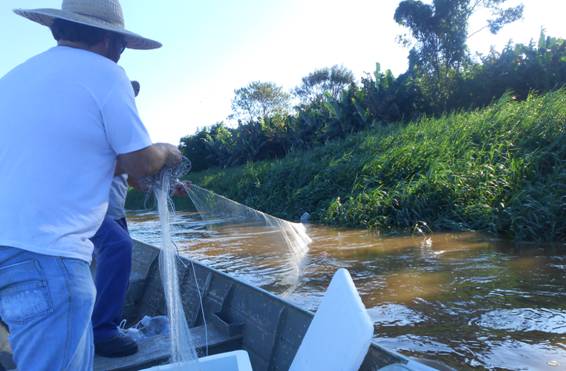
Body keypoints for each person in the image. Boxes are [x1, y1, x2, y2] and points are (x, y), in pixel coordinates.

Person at [0, 1, 181, 370]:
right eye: (121, 46)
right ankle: (105, 328)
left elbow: (77, 161)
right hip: (47, 258)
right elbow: (140, 164)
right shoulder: (106, 74)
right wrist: (167, 151)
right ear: (111, 42)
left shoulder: (13, 78)